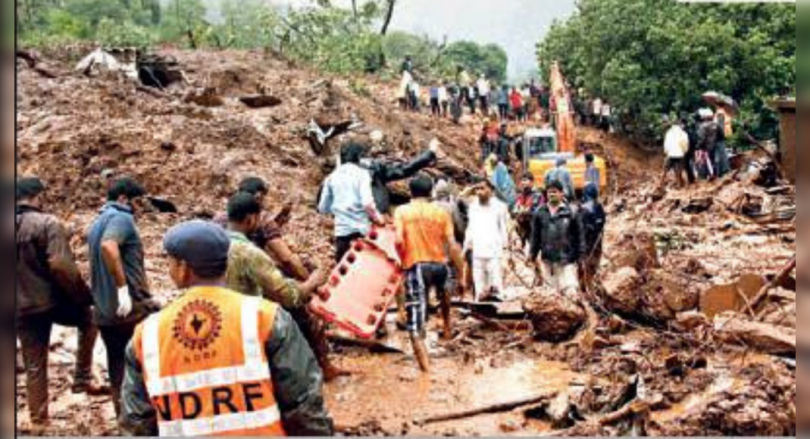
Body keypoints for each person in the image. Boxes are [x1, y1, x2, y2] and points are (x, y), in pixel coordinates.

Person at [119, 221, 333, 436]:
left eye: (170, 262)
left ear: (183, 268)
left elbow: (136, 423)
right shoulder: (266, 317)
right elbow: (303, 404)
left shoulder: (148, 334)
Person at [224, 193, 345, 382]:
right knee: (302, 314)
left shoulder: (214, 241)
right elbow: (287, 292)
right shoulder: (249, 252)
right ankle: (315, 371)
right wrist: (312, 282)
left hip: (222, 314)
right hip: (248, 319)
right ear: (250, 218)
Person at [16, 178, 105, 425]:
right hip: (49, 302)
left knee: (34, 364)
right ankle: (82, 378)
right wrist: (83, 297)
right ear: (38, 196)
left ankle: (39, 420)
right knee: (90, 319)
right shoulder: (47, 223)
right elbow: (61, 266)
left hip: (19, 308)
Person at [87, 177, 158, 417]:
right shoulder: (121, 218)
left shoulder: (97, 222)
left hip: (104, 312)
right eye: (137, 202)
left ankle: (123, 419)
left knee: (117, 366)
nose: (139, 209)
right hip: (130, 309)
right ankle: (145, 420)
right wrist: (123, 289)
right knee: (143, 365)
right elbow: (109, 246)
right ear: (123, 199)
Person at [394, 175, 465, 372]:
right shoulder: (440, 212)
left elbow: (398, 240)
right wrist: (461, 275)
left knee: (415, 322)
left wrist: (401, 261)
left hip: (416, 264)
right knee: (444, 297)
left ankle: (426, 373)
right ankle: (447, 328)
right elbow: (453, 245)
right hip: (440, 264)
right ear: (430, 192)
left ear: (410, 192)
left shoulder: (402, 211)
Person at [213, 177, 310, 282]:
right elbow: (286, 258)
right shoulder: (262, 221)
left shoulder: (218, 219)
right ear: (258, 197)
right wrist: (311, 282)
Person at [318, 143, 385, 262]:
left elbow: (323, 208)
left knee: (343, 267)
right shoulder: (362, 174)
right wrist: (378, 218)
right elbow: (367, 203)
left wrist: (338, 209)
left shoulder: (331, 177)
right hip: (361, 232)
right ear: (358, 158)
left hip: (342, 233)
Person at [529, 181, 587, 299]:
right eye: (549, 192)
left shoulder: (572, 212)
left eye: (554, 192)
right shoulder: (540, 212)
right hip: (548, 262)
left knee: (571, 294)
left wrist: (581, 257)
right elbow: (535, 236)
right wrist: (532, 254)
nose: (551, 194)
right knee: (551, 296)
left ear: (562, 194)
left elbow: (580, 236)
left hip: (567, 261)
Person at [463, 179, 510, 302]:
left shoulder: (500, 207)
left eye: (482, 188)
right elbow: (470, 227)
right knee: (479, 287)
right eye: (477, 189)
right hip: (477, 251)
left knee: (496, 287)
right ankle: (480, 311)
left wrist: (506, 250)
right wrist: (466, 246)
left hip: (494, 252)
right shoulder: (473, 206)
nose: (479, 192)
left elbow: (504, 229)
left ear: (491, 190)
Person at [579, 184, 606, 290]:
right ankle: (590, 285)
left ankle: (585, 287)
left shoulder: (583, 208)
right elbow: (602, 224)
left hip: (586, 244)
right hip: (597, 242)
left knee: (585, 267)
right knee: (593, 265)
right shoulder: (599, 207)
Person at [514, 174, 543, 249]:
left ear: (532, 182)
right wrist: (518, 212)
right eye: (521, 181)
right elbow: (515, 211)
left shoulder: (539, 196)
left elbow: (540, 213)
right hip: (521, 230)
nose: (522, 183)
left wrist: (527, 212)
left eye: (525, 180)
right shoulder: (519, 196)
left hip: (533, 230)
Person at [662, 118, 690, 188]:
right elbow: (685, 144)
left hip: (670, 154)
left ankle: (660, 183)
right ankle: (679, 184)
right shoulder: (683, 133)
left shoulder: (669, 133)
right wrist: (684, 152)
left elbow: (666, 144)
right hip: (680, 154)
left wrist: (666, 152)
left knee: (665, 169)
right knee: (678, 170)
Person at [696, 108, 720, 180]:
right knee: (713, 160)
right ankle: (715, 173)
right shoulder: (716, 125)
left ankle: (711, 175)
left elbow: (701, 138)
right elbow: (720, 135)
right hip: (714, 145)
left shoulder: (703, 126)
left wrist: (698, 146)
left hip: (706, 146)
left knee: (707, 160)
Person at [713, 107, 732, 178]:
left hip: (719, 137)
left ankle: (723, 170)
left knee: (721, 154)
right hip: (721, 136)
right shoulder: (723, 113)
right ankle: (722, 170)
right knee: (721, 154)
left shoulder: (720, 114)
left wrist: (717, 136)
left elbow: (720, 127)